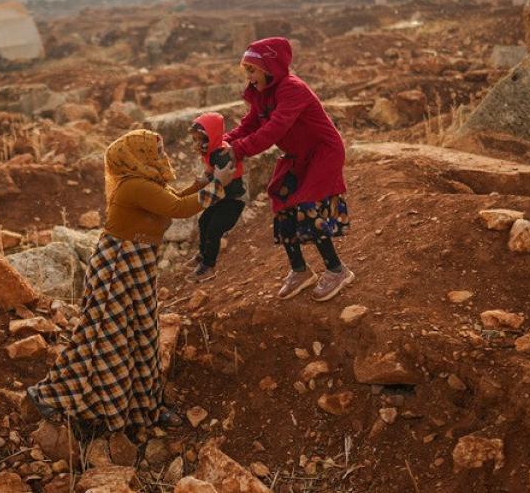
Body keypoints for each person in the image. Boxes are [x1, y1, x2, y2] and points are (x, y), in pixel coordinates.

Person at [27, 129, 234, 435]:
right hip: (116, 269)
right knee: (102, 339)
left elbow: (174, 198)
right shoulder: (134, 185)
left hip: (136, 269)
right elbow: (178, 209)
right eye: (157, 151)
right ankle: (48, 394)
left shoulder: (146, 184)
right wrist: (218, 186)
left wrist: (202, 183)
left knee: (142, 337)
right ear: (139, 156)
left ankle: (144, 410)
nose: (161, 157)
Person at [225, 37, 354, 301]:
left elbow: (274, 129)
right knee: (282, 203)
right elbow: (250, 125)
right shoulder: (262, 93)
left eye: (252, 70)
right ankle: (300, 270)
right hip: (297, 155)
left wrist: (238, 150)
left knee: (308, 205)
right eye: (246, 70)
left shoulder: (291, 89)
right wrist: (224, 141)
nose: (248, 77)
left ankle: (337, 270)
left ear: (270, 67)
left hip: (322, 152)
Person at [175, 112, 247, 282]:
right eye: (195, 140)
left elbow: (222, 180)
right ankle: (202, 254)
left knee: (214, 229)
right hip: (221, 198)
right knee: (203, 221)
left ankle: (208, 266)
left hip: (233, 202)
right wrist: (202, 180)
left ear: (212, 137)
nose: (197, 144)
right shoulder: (212, 153)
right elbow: (211, 173)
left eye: (201, 140)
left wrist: (207, 180)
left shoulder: (222, 155)